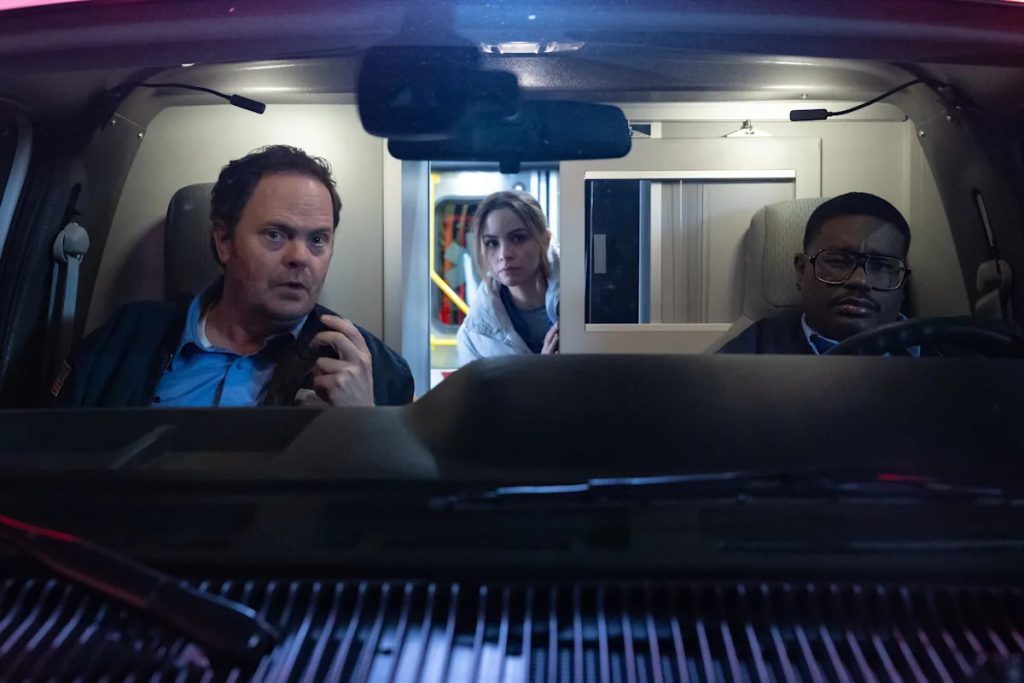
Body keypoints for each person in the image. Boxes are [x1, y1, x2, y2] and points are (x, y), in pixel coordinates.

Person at [54, 145, 413, 407]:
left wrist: (364, 426)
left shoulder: (372, 368)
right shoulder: (123, 340)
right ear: (224, 241)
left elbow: (398, 491)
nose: (301, 258)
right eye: (276, 234)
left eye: (318, 239)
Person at [719, 192, 918, 355]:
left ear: (903, 285)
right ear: (801, 270)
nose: (859, 280)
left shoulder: (933, 353)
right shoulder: (754, 348)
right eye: (837, 261)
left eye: (881, 266)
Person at [456, 191, 560, 364]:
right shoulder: (474, 335)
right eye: (492, 243)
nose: (504, 255)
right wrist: (541, 371)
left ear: (546, 240)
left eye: (518, 238)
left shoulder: (588, 306)